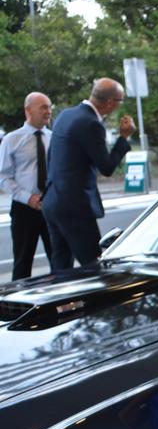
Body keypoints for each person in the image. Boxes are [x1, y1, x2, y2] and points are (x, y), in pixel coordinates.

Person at [42, 78, 135, 270]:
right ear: (110, 102)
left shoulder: (65, 115)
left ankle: (61, 298)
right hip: (74, 206)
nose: (118, 107)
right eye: (120, 102)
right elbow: (107, 167)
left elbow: (51, 157)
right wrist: (124, 138)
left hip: (52, 201)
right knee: (94, 264)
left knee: (60, 265)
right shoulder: (91, 124)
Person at [0, 92, 53, 280]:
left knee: (60, 261)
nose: (48, 111)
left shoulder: (53, 138)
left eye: (49, 107)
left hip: (50, 207)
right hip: (24, 209)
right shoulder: (11, 140)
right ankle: (18, 308)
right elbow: (3, 177)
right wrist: (28, 198)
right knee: (22, 264)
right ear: (28, 110)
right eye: (43, 107)